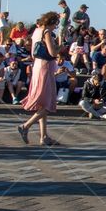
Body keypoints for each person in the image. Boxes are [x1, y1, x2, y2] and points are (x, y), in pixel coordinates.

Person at [17, 11, 61, 146]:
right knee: (49, 103)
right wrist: (60, 47)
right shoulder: (46, 32)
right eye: (56, 24)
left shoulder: (37, 31)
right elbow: (53, 52)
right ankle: (25, 126)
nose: (56, 27)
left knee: (42, 104)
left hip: (37, 65)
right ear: (52, 22)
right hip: (45, 67)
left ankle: (44, 136)